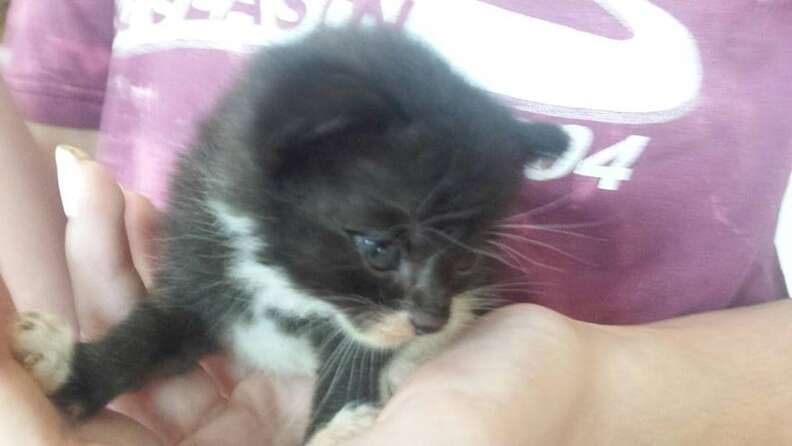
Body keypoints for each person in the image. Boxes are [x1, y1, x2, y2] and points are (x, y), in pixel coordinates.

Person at [0, 1, 790, 445]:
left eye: (464, 258)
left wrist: (585, 385)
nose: (430, 308)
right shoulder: (257, 180)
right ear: (291, 147)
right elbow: (41, 146)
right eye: (386, 250)